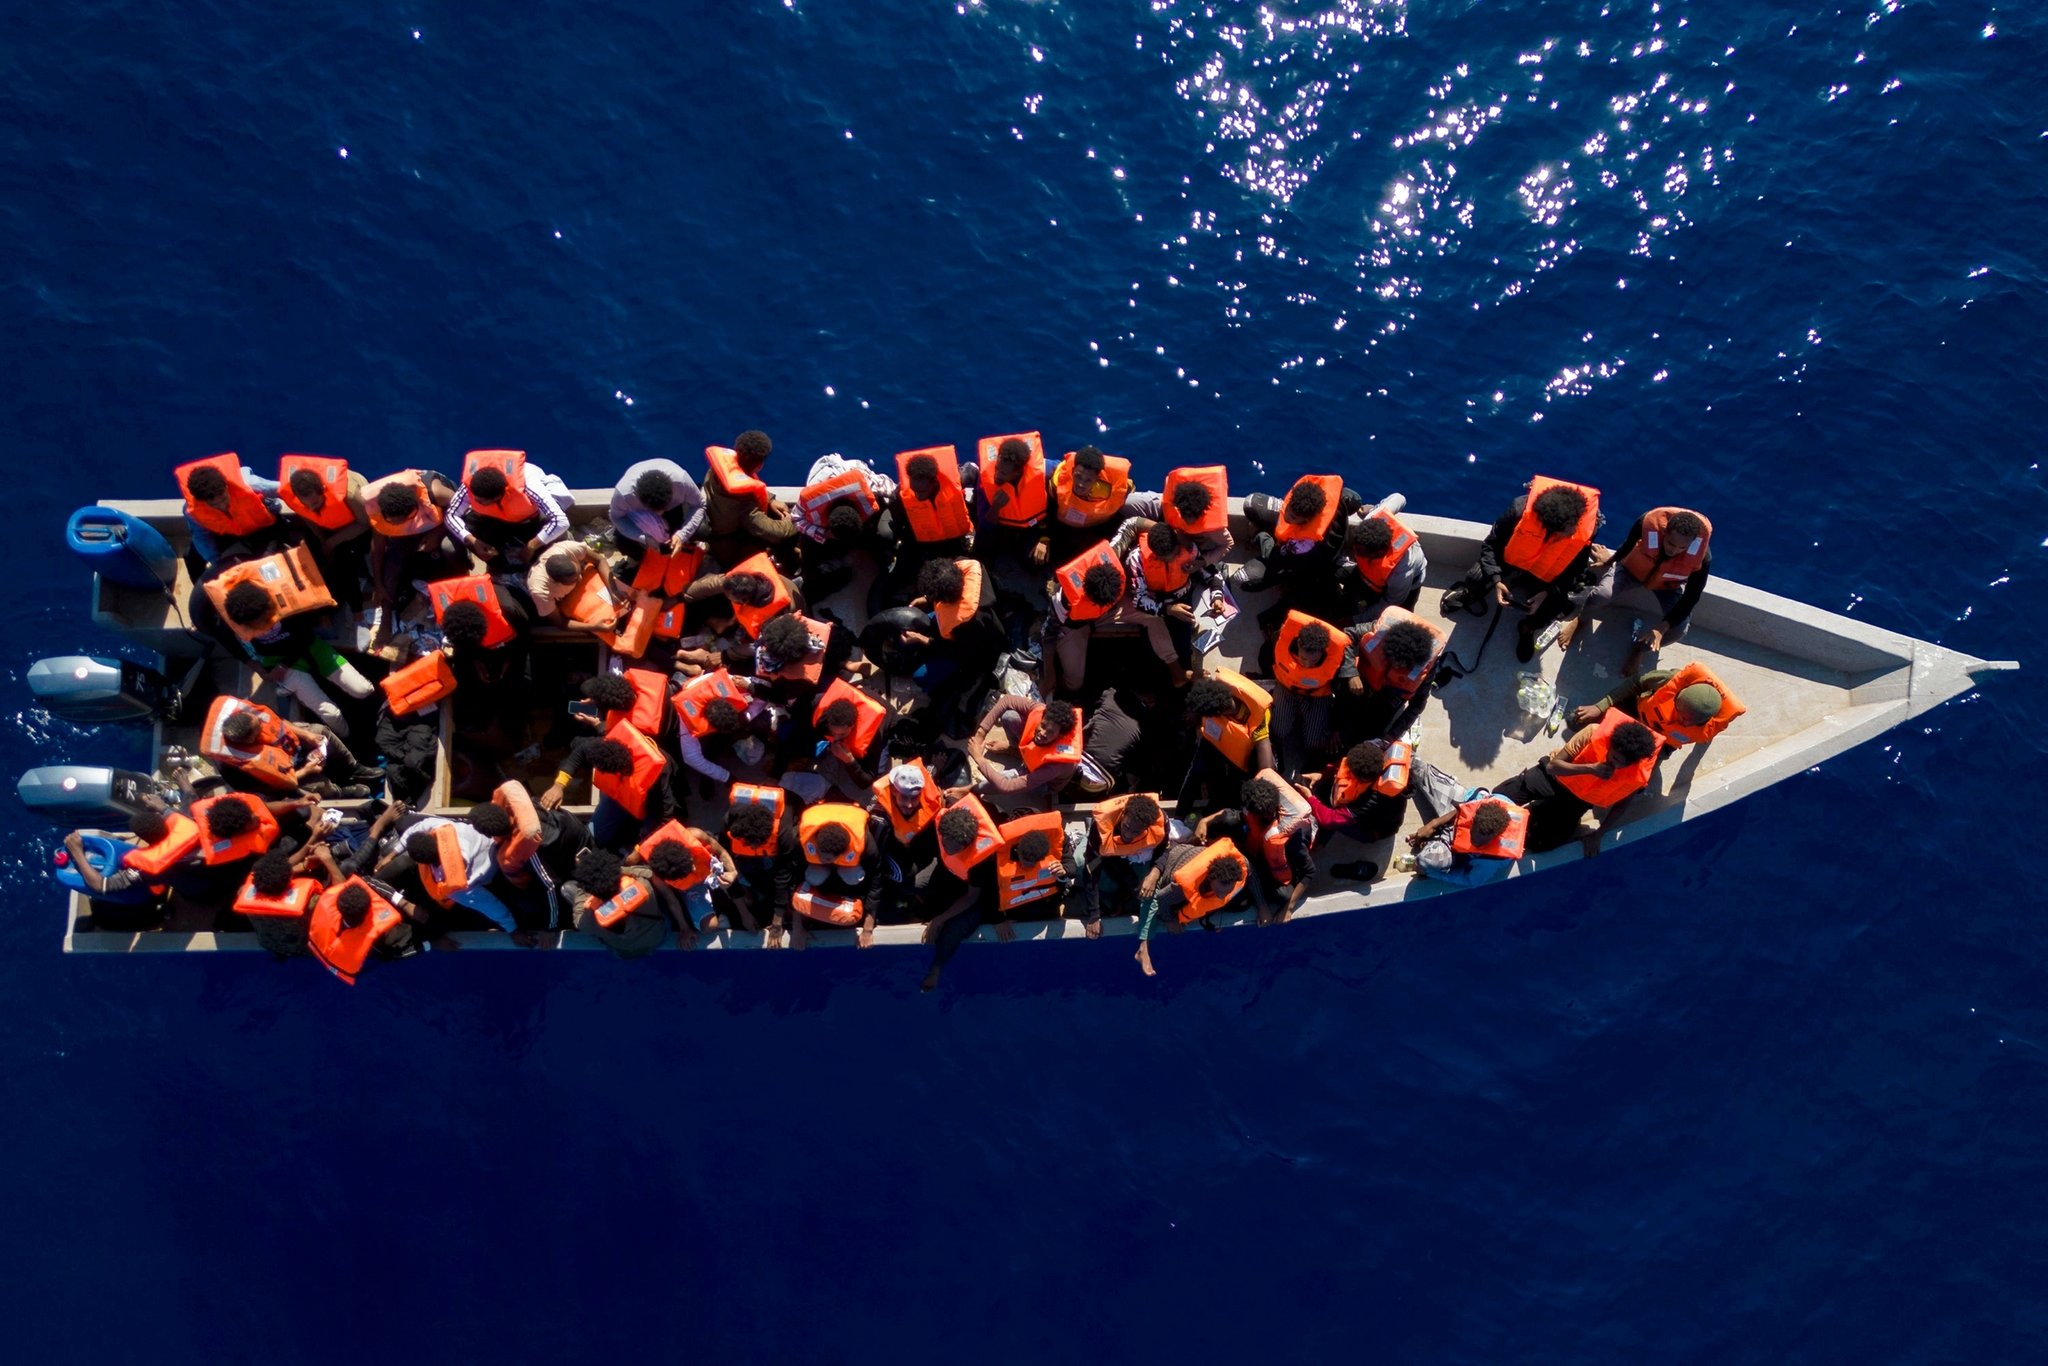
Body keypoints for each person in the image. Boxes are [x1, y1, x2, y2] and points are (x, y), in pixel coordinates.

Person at [1444, 475, 1602, 662]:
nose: (1571, 533)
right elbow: (1490, 546)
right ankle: (1472, 593)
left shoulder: (1585, 529)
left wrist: (1546, 592)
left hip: (1546, 574)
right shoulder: (1518, 510)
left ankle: (1528, 627)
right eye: (1565, 533)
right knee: (1475, 578)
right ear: (1547, 526)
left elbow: (1575, 569)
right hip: (1513, 559)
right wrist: (1497, 580)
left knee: (1556, 605)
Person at [1561, 507, 1714, 674]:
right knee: (1601, 595)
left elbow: (1691, 597)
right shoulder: (1647, 523)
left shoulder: (1702, 558)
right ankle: (1581, 620)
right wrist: (1609, 561)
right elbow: (1627, 545)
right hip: (1631, 571)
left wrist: (1660, 629)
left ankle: (1639, 649)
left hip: (1667, 585)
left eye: (1681, 548)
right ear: (1665, 532)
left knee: (1679, 629)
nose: (1674, 550)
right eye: (1670, 543)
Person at [1491, 709, 1662, 853]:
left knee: (1539, 845)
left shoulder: (1638, 772)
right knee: (1496, 798)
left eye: (1623, 764)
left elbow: (1622, 805)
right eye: (1615, 757)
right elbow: (1553, 767)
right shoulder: (1593, 732)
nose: (1617, 765)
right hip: (1552, 778)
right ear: (1611, 745)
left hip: (1578, 801)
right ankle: (1541, 806)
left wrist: (1599, 834)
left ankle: (1540, 809)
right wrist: (1590, 768)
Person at [1044, 541, 1186, 694]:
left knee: (1153, 617)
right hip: (1075, 626)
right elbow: (1048, 635)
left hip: (1109, 611)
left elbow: (1134, 524)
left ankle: (1176, 670)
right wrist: (1050, 671)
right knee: (1074, 684)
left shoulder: (1111, 557)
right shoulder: (1063, 601)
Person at [1196, 770, 1317, 924]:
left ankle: (1252, 891)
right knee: (1228, 820)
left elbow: (1309, 872)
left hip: (1275, 859)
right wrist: (1205, 821)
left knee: (1284, 896)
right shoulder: (1252, 805)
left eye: (1264, 815)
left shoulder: (1294, 835)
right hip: (1254, 846)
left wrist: (1289, 908)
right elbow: (1230, 813)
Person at [202, 694, 376, 796]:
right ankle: (342, 792)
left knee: (320, 731)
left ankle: (353, 768)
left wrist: (308, 736)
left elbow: (280, 722)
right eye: (258, 730)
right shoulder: (237, 769)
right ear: (248, 740)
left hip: (290, 748)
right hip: (286, 774)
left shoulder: (251, 716)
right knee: (317, 786)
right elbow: (274, 786)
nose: (262, 727)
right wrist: (306, 770)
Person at [1234, 474, 1361, 609]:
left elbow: (1274, 557)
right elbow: (1356, 498)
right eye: (1288, 508)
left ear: (1306, 521)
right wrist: (1289, 516)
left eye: (1293, 516)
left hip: (1306, 561)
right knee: (1251, 503)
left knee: (1243, 579)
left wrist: (1260, 535)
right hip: (1322, 535)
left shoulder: (1304, 545)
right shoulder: (1324, 500)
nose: (1286, 515)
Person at [542, 724, 678, 849]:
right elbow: (580, 752)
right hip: (619, 793)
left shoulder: (659, 773)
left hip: (649, 798)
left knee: (644, 839)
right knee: (594, 837)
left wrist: (639, 849)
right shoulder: (606, 745)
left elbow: (665, 816)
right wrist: (558, 785)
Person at [364, 468, 465, 632]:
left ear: (413, 508)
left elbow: (463, 509)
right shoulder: (378, 510)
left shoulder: (436, 493)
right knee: (392, 562)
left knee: (449, 549)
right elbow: (378, 549)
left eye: (404, 520)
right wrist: (378, 585)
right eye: (394, 523)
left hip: (439, 522)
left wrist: (438, 534)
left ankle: (461, 584)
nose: (398, 525)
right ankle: (386, 617)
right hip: (412, 530)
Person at [919, 796, 1003, 991]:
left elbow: (972, 897)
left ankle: (937, 967)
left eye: (953, 848)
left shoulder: (980, 860)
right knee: (917, 886)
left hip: (980, 893)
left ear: (965, 845)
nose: (947, 848)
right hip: (950, 872)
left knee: (953, 930)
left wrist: (939, 920)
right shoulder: (947, 823)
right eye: (945, 843)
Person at [1264, 609, 1360, 776]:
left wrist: (1352, 673)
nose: (1307, 664)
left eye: (1313, 660)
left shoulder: (1335, 658)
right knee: (1279, 730)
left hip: (1317, 695)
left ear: (1323, 652)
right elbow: (1268, 654)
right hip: (1286, 688)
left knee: (1314, 742)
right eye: (1303, 658)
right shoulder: (1282, 641)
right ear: (1298, 645)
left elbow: (1343, 696)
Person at [781, 801, 888, 949]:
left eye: (829, 859)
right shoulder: (800, 840)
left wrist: (868, 929)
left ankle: (847, 886)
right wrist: (797, 927)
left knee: (851, 876)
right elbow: (792, 878)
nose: (825, 860)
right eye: (821, 856)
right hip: (818, 835)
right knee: (815, 876)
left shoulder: (867, 846)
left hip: (850, 862)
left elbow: (876, 883)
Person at [1569, 662, 1744, 752]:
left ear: (1705, 720)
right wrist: (1600, 706)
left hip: (1660, 742)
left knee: (1633, 783)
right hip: (1637, 712)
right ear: (1676, 699)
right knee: (1575, 721)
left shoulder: (1712, 727)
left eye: (1688, 721)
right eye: (1680, 714)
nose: (1680, 721)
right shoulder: (1667, 681)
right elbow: (1635, 684)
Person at [1133, 840, 1248, 977]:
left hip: (1191, 857)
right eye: (1218, 890)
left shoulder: (1239, 871)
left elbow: (1251, 876)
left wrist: (1263, 906)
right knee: (1150, 900)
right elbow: (1161, 899)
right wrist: (1170, 920)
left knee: (1241, 904)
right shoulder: (1183, 887)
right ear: (1210, 879)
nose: (1221, 895)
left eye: (1226, 891)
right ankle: (1143, 947)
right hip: (1171, 865)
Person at [790, 451, 897, 599]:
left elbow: (892, 488)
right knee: (808, 542)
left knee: (882, 527)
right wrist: (823, 534)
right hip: (823, 482)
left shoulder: (870, 484)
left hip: (852, 472)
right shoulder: (810, 501)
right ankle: (816, 577)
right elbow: (796, 518)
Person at [1402, 763, 1528, 887]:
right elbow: (1463, 807)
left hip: (1456, 851)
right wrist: (1434, 824)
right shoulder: (1492, 801)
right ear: (1474, 818)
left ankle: (1433, 844)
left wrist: (1434, 874)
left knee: (1425, 863)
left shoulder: (1492, 861)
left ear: (1496, 836)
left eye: (1480, 843)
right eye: (1474, 836)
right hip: (1459, 818)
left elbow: (1469, 880)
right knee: (1422, 770)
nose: (1475, 842)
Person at [868, 760, 950, 949]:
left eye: (915, 797)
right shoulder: (879, 819)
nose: (910, 804)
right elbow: (876, 862)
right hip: (892, 852)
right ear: (894, 791)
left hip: (918, 845)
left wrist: (937, 766)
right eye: (904, 798)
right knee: (907, 882)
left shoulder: (922, 788)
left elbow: (929, 772)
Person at [444, 449, 572, 567]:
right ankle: (497, 565)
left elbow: (560, 521)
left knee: (557, 539)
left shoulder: (528, 484)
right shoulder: (473, 484)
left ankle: (535, 562)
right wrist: (472, 540)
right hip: (495, 519)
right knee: (457, 539)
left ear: (498, 496)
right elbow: (451, 515)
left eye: (481, 501)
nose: (474, 501)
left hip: (530, 518)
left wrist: (532, 545)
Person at [401, 818, 524, 935]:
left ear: (423, 863)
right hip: (496, 843)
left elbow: (489, 904)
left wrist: (512, 928)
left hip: (498, 876)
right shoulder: (444, 826)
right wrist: (392, 854)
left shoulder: (454, 887)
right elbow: (420, 825)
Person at [308, 874, 438, 984]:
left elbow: (367, 881)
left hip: (399, 920)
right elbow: (395, 954)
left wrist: (404, 903)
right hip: (403, 928)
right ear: (368, 910)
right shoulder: (381, 943)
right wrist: (430, 943)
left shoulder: (327, 907)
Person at [1074, 791, 1169, 937]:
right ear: (1123, 814)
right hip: (1106, 844)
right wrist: (1094, 915)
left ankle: (1123, 892)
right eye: (1127, 827)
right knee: (1079, 866)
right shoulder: (1099, 829)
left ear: (1147, 827)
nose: (1129, 834)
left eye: (1136, 831)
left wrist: (1154, 874)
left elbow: (1163, 851)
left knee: (1142, 893)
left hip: (1135, 852)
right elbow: (1091, 871)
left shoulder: (1161, 823)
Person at [702, 430, 798, 568]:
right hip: (728, 544)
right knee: (787, 534)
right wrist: (791, 522)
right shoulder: (744, 502)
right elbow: (773, 531)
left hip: (720, 519)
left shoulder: (717, 469)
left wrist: (770, 500)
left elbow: (746, 485)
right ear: (760, 465)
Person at [1350, 607, 1449, 740]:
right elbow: (1347, 636)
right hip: (1361, 680)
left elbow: (1417, 705)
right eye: (1392, 660)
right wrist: (1351, 674)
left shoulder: (1425, 668)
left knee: (1370, 733)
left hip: (1389, 697)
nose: (1396, 666)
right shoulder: (1377, 629)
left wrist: (1392, 735)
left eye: (1402, 666)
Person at [634, 820, 739, 943]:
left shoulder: (696, 835)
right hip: (688, 887)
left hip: (707, 868)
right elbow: (671, 899)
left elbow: (721, 852)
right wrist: (684, 928)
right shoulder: (657, 874)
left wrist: (733, 873)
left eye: (690, 863)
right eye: (688, 870)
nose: (693, 868)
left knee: (745, 898)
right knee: (709, 927)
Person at [962, 695, 1082, 802]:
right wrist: (980, 734)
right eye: (1043, 725)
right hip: (1037, 756)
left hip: (1044, 782)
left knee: (1008, 776)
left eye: (1050, 732)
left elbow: (1007, 786)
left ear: (1060, 736)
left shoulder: (1057, 765)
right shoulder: (1041, 710)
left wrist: (978, 758)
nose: (1043, 733)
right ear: (1043, 717)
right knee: (1010, 716)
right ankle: (1014, 750)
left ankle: (972, 790)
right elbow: (1007, 700)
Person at [175, 453, 289, 564]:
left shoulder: (250, 484)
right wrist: (218, 563)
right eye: (214, 505)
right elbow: (202, 538)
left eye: (224, 499)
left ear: (226, 486)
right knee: (193, 557)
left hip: (264, 529)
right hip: (231, 536)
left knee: (266, 564)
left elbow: (286, 489)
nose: (222, 506)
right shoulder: (192, 511)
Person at [565, 847, 676, 959]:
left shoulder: (589, 920)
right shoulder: (644, 886)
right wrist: (612, 870)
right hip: (657, 936)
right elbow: (648, 873)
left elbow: (578, 919)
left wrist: (583, 881)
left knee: (567, 888)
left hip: (626, 950)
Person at [726, 782, 801, 940]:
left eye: (755, 845)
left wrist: (777, 921)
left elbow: (784, 875)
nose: (752, 848)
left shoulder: (785, 836)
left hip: (777, 847)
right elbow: (726, 866)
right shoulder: (730, 823)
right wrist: (744, 914)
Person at [1183, 672, 1276, 799]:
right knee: (1199, 768)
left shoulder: (1258, 719)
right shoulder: (1216, 691)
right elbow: (1199, 679)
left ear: (1217, 714)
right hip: (1225, 744)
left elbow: (1266, 768)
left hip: (1248, 755)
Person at [1305, 739, 1412, 844]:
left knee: (1333, 805)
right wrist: (1322, 774)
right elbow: (1342, 766)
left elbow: (1328, 819)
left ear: (1363, 779)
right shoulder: (1377, 750)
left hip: (1374, 830)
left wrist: (1309, 797)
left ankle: (1321, 842)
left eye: (1351, 772)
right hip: (1384, 811)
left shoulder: (1370, 800)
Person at [1337, 495, 1428, 616]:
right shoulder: (1372, 517)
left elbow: (1391, 603)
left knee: (1399, 615)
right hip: (1372, 575)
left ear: (1378, 553)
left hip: (1405, 587)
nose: (1356, 553)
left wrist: (1359, 620)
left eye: (1362, 552)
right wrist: (1374, 509)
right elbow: (1399, 498)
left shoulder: (1402, 570)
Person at [1125, 465, 1232, 567]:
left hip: (1191, 545)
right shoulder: (1170, 505)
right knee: (1127, 503)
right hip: (1167, 525)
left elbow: (1227, 544)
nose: (1188, 521)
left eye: (1192, 517)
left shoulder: (1214, 529)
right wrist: (1174, 533)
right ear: (1177, 507)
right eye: (1184, 515)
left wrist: (1203, 562)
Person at [1046, 445, 1136, 562]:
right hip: (1064, 527)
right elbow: (1048, 510)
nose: (1081, 484)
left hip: (1096, 527)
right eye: (1078, 476)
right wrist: (1044, 538)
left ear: (1097, 478)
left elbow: (1129, 488)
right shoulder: (1057, 484)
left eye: (1088, 480)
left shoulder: (1111, 489)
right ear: (1072, 471)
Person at [231, 845, 322, 960]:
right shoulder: (311, 902)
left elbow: (270, 876)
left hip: (269, 943)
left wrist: (301, 867)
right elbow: (336, 901)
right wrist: (327, 861)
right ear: (288, 879)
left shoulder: (242, 893)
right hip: (303, 948)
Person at [608, 458, 707, 561]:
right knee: (622, 542)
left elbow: (699, 505)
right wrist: (643, 538)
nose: (660, 514)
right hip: (641, 514)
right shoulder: (623, 496)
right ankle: (645, 562)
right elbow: (617, 518)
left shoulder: (681, 482)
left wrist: (682, 535)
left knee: (702, 531)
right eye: (655, 510)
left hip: (674, 510)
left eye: (663, 508)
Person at [810, 679, 890, 803]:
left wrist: (849, 760)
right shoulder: (822, 711)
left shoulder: (874, 735)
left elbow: (866, 782)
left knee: (878, 775)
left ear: (852, 726)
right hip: (862, 695)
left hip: (885, 724)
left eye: (842, 734)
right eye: (833, 733)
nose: (836, 738)